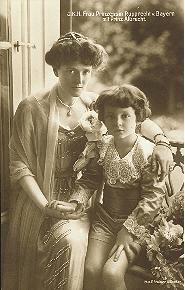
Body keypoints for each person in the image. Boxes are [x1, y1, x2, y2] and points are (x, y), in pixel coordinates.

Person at [3, 32, 172, 290]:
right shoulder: (31, 107)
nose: (79, 79)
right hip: (40, 197)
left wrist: (161, 142)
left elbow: (137, 117)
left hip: (80, 200)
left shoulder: (93, 103)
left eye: (85, 71)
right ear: (56, 69)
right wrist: (45, 205)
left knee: (73, 243)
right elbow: (19, 166)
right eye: (71, 71)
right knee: (69, 247)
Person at [69, 84, 168, 290]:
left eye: (125, 116)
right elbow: (90, 179)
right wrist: (76, 199)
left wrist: (128, 230)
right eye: (111, 116)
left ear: (138, 117)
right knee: (91, 270)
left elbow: (153, 198)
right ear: (103, 119)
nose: (118, 123)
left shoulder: (148, 153)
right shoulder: (103, 146)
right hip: (105, 220)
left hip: (138, 224)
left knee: (112, 273)